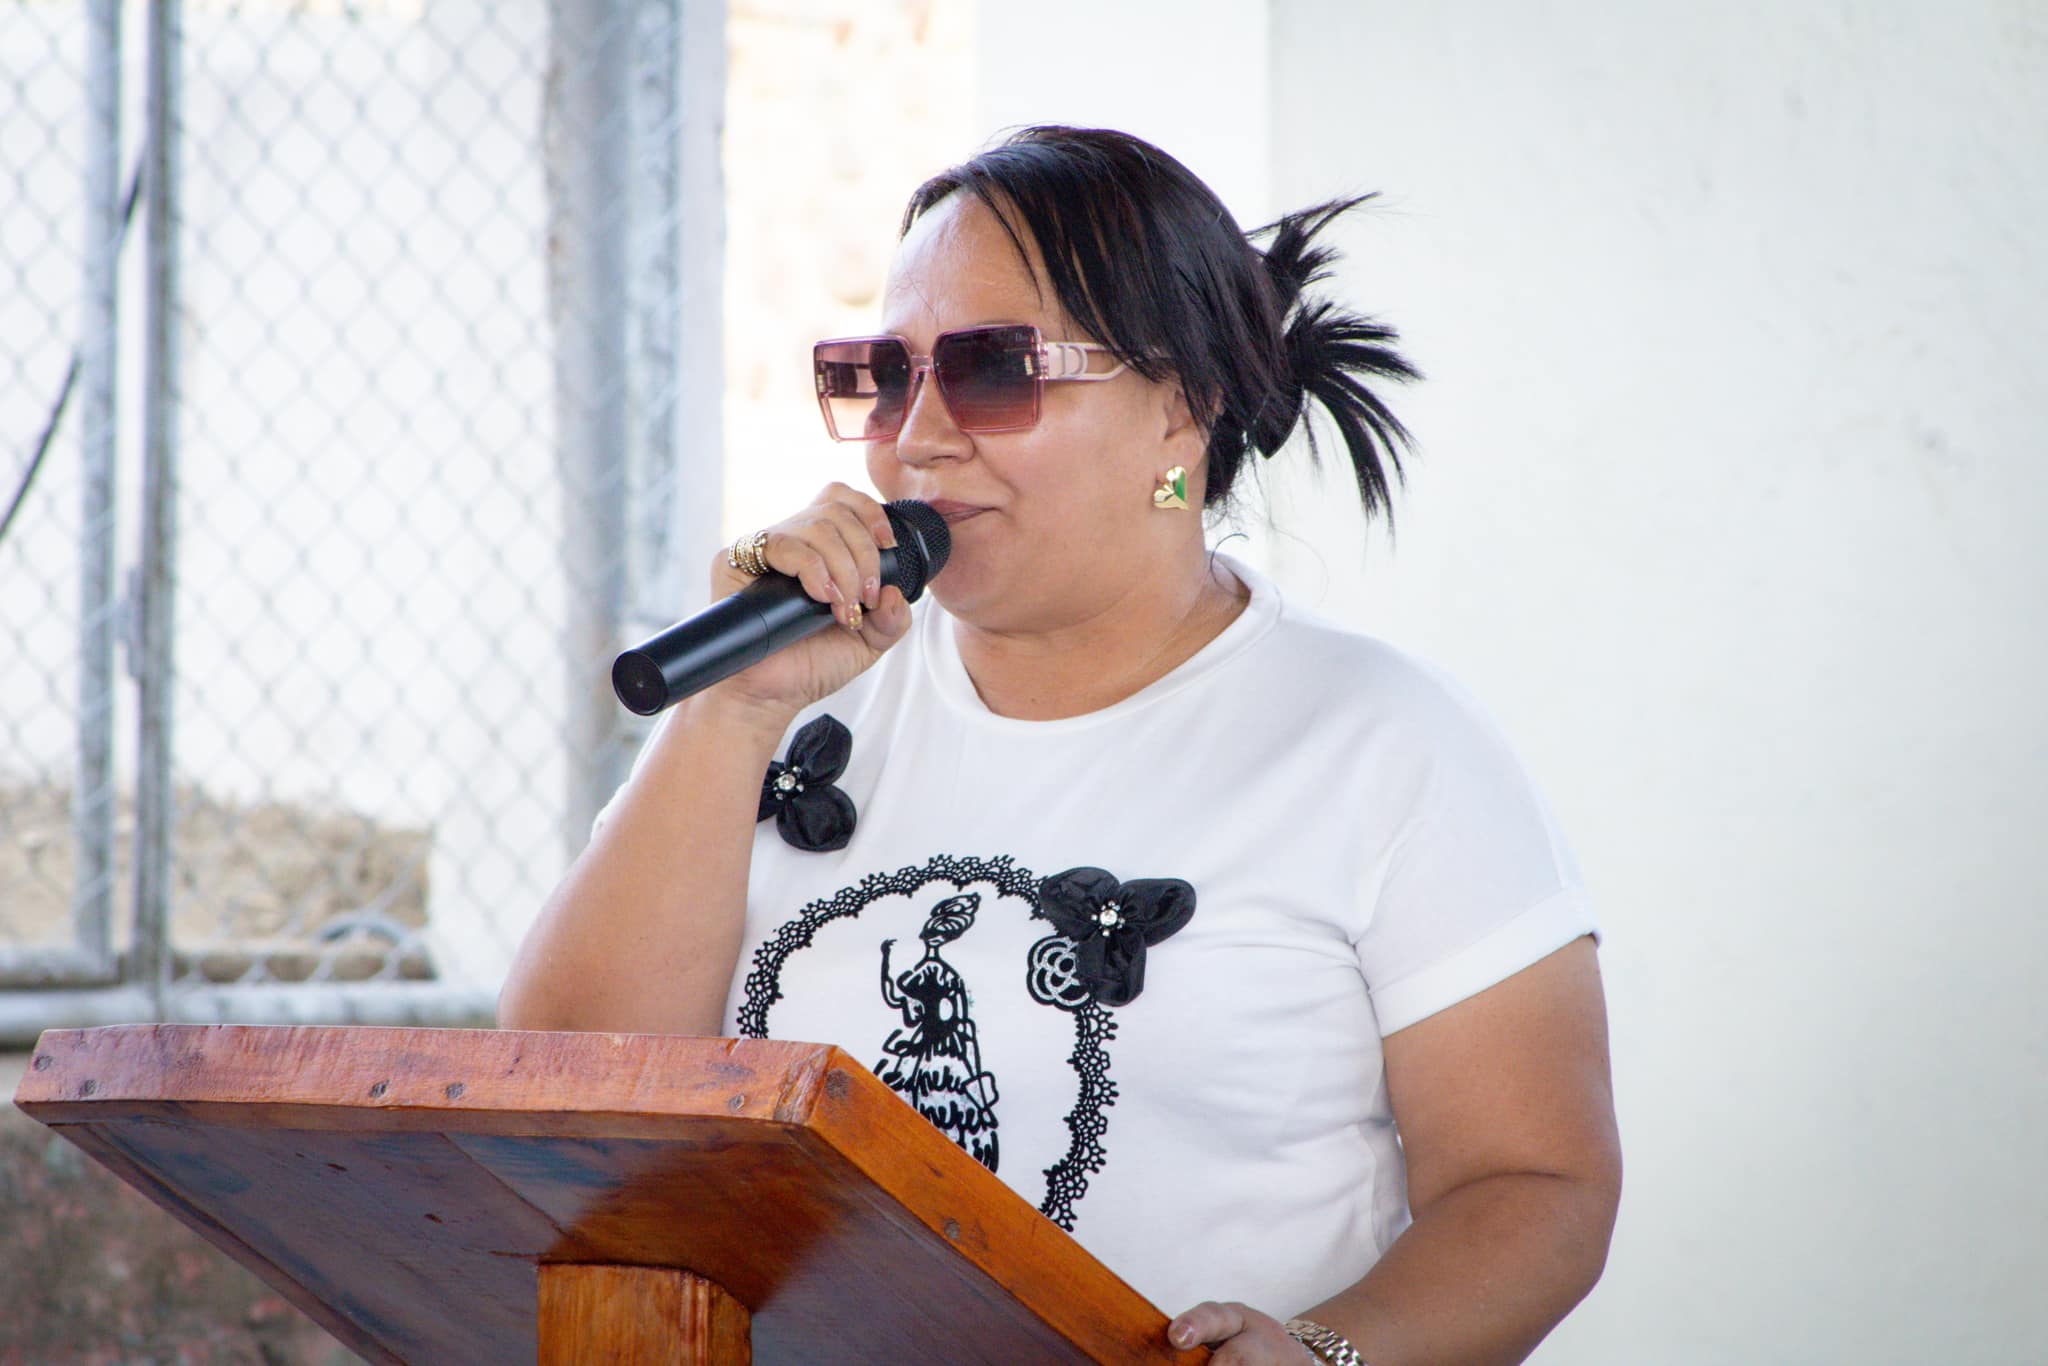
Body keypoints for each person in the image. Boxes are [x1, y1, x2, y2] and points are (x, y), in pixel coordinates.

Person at [499, 125, 1621, 1365]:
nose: (918, 435)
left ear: (1180, 407)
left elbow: (1533, 1185)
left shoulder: (1384, 743)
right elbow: (563, 1099)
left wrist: (1323, 1352)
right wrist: (731, 714)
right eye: (884, 375)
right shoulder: (782, 702)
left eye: (993, 370)